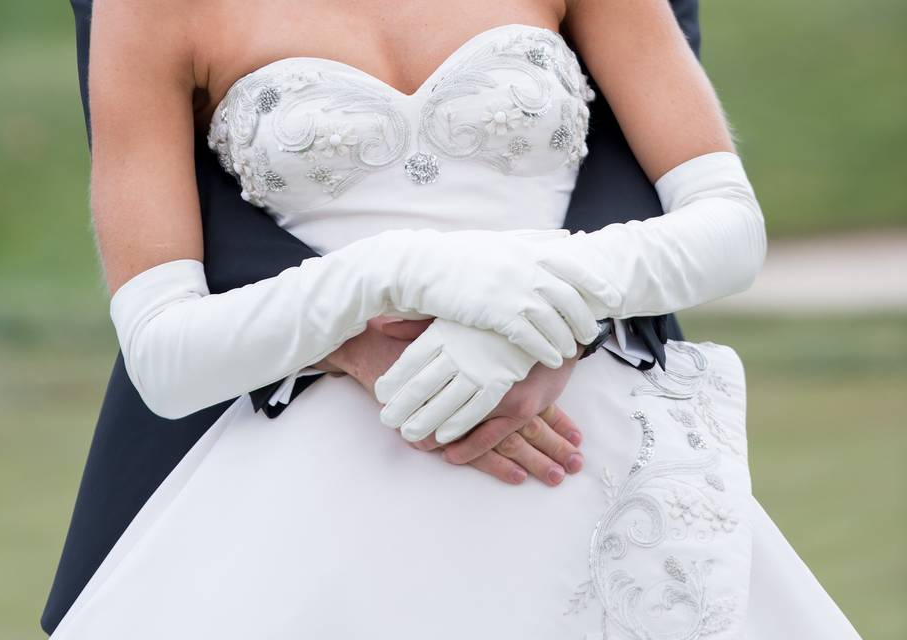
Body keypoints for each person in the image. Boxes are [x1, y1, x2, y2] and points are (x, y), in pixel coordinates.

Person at [44, 1, 861, 638]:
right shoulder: (148, 8)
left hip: (574, 440)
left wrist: (529, 312)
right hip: (324, 470)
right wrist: (392, 272)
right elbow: (163, 350)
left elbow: (726, 224)